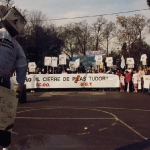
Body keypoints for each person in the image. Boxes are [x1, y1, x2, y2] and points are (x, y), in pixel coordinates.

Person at [0, 5, 27, 150]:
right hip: (3, 82)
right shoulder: (16, 44)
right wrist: (19, 86)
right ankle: (5, 147)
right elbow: (22, 65)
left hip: (3, 80)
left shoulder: (15, 43)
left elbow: (23, 64)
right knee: (4, 118)